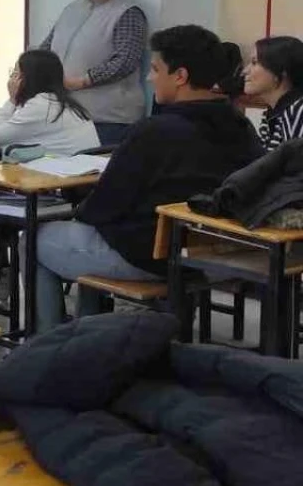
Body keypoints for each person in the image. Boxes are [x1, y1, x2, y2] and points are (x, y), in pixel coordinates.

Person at [32, 25, 262, 333]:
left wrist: (77, 209)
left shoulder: (154, 132)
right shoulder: (241, 127)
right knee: (86, 231)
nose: (150, 78)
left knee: (35, 237)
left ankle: (48, 342)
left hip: (150, 257)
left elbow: (104, 206)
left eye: (155, 69)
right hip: (215, 256)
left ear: (180, 76)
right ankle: (89, 332)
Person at [38, 0, 149, 146]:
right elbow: (46, 48)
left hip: (110, 120)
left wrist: (84, 80)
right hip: (69, 115)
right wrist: (28, 72)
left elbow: (126, 60)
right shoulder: (71, 9)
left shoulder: (128, 12)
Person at [0, 49, 100, 157]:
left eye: (15, 74)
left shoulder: (40, 106)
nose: (12, 80)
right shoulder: (65, 103)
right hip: (85, 172)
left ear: (29, 78)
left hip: (63, 174)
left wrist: (12, 100)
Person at [243, 36, 303, 150]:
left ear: (280, 71)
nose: (245, 71)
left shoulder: (298, 112)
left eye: (254, 63)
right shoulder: (271, 114)